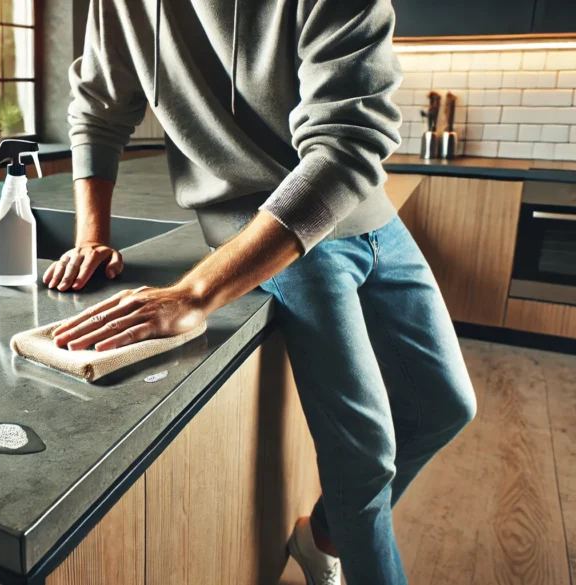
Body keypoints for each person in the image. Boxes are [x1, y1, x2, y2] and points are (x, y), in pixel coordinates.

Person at [44, 1, 477, 583]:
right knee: (364, 459)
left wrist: (194, 293)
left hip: (361, 211)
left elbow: (349, 139)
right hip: (259, 228)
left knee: (446, 406)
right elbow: (99, 109)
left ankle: (322, 535)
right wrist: (91, 236)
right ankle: (341, 546)